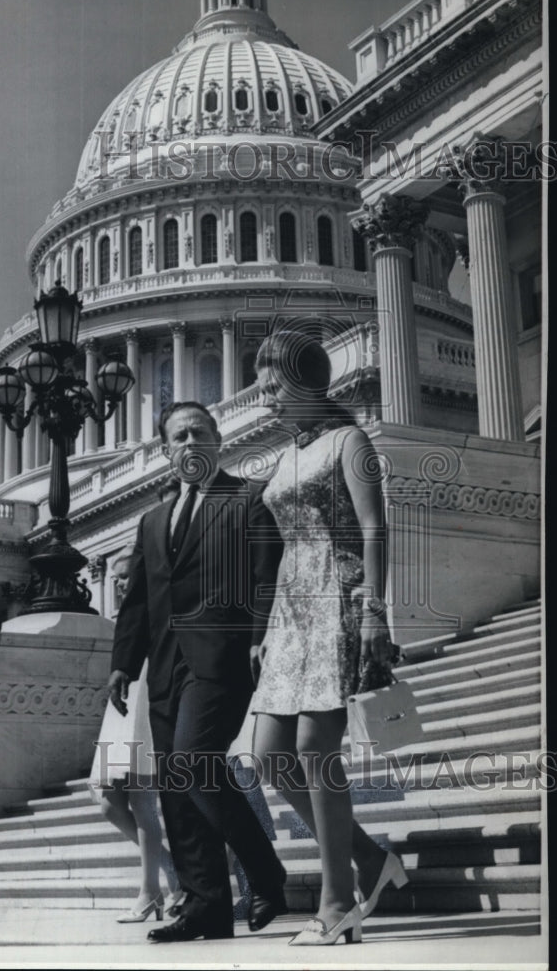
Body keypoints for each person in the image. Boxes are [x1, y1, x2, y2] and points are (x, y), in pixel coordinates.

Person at [250, 331, 408, 947]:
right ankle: (371, 861)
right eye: (263, 388)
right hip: (290, 613)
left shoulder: (351, 440)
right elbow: (286, 547)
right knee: (269, 756)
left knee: (317, 748)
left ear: (309, 381)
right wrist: (267, 627)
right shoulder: (285, 456)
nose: (267, 400)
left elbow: (375, 529)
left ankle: (338, 903)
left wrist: (375, 610)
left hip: (338, 597)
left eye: (276, 387)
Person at [107, 401, 287, 943]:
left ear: (217, 439)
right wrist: (122, 664)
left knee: (192, 761)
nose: (190, 442)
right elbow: (137, 600)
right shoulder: (153, 520)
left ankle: (264, 873)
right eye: (179, 436)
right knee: (176, 789)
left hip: (222, 659)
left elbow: (265, 577)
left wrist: (260, 638)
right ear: (166, 452)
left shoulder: (249, 498)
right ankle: (205, 904)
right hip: (162, 667)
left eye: (199, 432)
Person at [89, 549, 183, 922]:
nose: (122, 583)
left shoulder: (156, 606)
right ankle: (171, 870)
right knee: (110, 802)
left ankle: (149, 892)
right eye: (118, 579)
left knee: (142, 801)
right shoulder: (125, 617)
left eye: (127, 576)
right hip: (121, 704)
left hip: (144, 696)